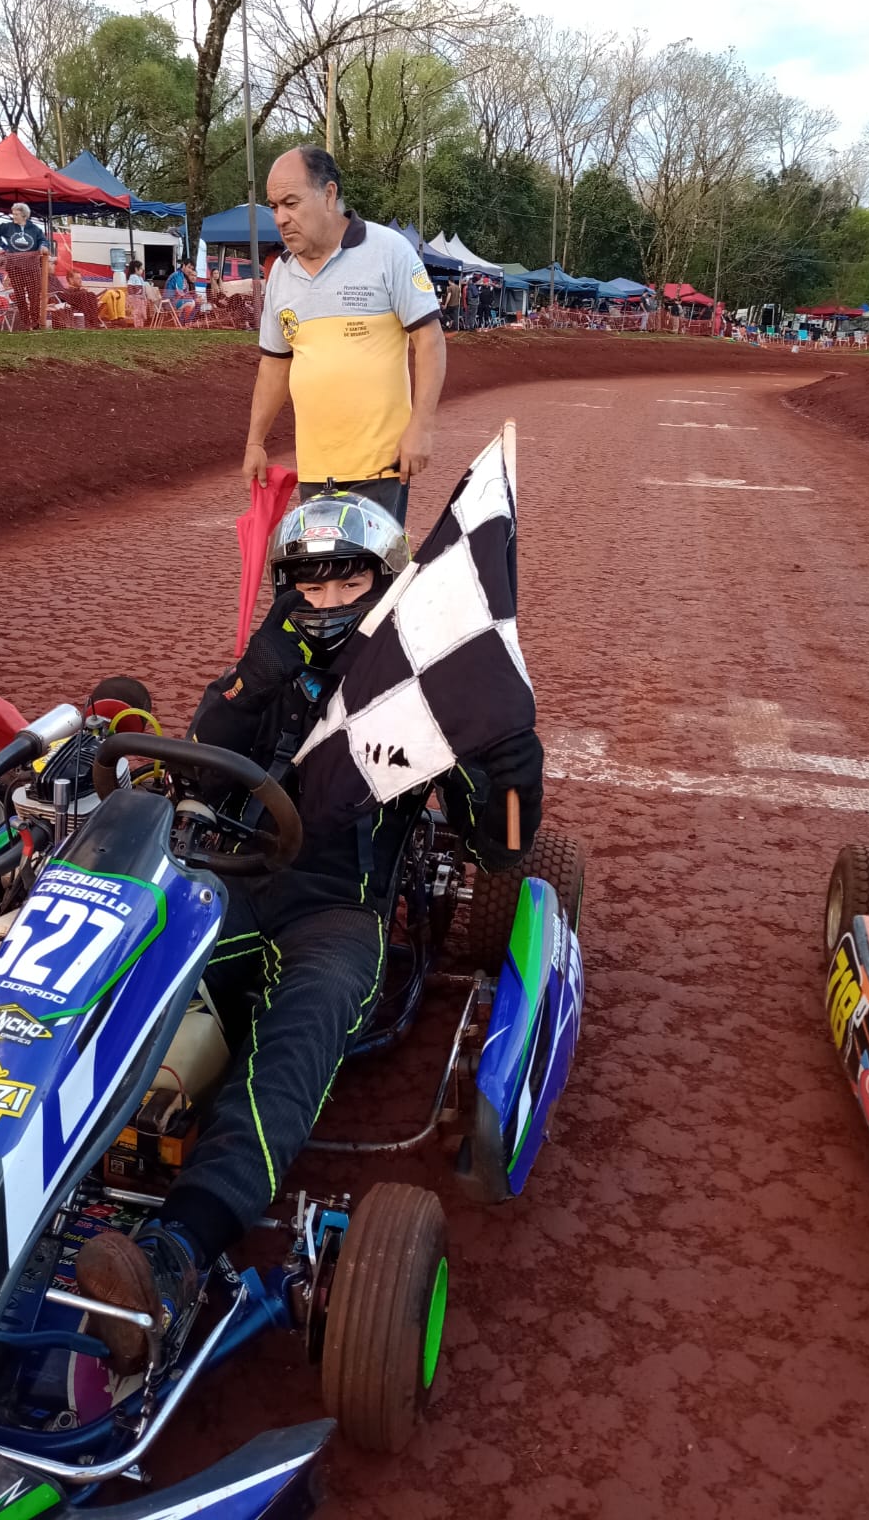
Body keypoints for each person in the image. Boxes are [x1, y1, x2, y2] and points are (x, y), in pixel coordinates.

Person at [71, 492, 543, 1364]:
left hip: (338, 914)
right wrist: (251, 683)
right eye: (308, 583)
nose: (324, 600)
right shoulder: (271, 668)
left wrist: (509, 765)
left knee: (298, 1032)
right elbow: (201, 782)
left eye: (346, 581)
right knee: (101, 968)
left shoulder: (419, 690)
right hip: (228, 885)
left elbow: (499, 847)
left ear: (384, 583)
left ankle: (177, 1250)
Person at [244, 149, 444, 525]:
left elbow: (430, 341)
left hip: (380, 466)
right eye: (274, 207)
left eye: (291, 203)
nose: (280, 218)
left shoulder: (388, 251)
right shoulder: (281, 274)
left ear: (329, 194)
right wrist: (255, 441)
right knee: (319, 565)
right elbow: (274, 366)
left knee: (370, 564)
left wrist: (421, 426)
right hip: (315, 471)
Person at [0, 204, 47, 330]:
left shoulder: (35, 229)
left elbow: (43, 240)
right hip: (15, 267)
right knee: (19, 296)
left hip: (32, 267)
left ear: (24, 215)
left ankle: (35, 322)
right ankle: (26, 323)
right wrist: (4, 246)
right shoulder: (7, 227)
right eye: (13, 214)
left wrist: (43, 246)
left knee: (34, 296)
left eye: (16, 214)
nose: (13, 216)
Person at [163, 258, 199, 324]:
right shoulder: (178, 276)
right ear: (184, 265)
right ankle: (183, 323)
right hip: (169, 303)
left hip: (175, 301)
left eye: (192, 269)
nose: (190, 270)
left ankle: (187, 322)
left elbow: (185, 293)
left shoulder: (182, 276)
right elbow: (180, 293)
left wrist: (195, 298)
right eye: (189, 267)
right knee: (192, 302)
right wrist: (193, 299)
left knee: (197, 303)